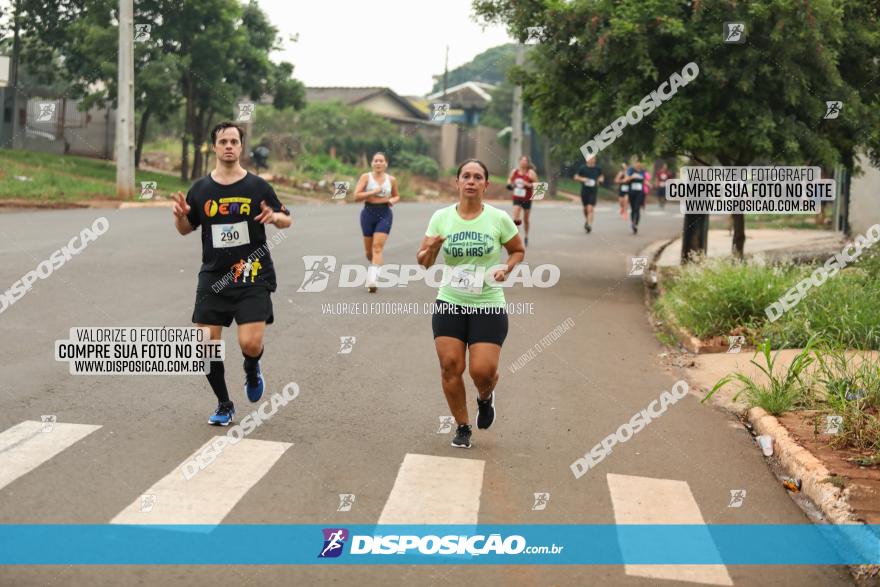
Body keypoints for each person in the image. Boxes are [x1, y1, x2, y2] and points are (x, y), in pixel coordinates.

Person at [171, 121, 292, 426]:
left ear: (241, 147)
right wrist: (182, 217)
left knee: (250, 344)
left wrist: (274, 217)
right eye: (223, 141)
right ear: (214, 146)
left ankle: (252, 367)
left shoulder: (257, 187)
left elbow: (286, 221)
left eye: (234, 141)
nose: (228, 146)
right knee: (205, 344)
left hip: (252, 275)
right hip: (214, 277)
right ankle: (224, 404)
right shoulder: (200, 189)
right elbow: (186, 230)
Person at [417, 159, 525, 449]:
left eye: (478, 177)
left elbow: (517, 250)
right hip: (450, 301)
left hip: (488, 303)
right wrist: (433, 249)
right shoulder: (441, 217)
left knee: (482, 372)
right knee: (450, 366)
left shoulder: (498, 218)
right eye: (466, 176)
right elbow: (423, 262)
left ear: (486, 185)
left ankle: (485, 398)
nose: (471, 181)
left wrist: (507, 268)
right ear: (457, 182)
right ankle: (463, 426)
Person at [354, 152, 400, 293]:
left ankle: (372, 280)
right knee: (369, 253)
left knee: (377, 247)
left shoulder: (391, 179)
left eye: (381, 161)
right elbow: (356, 196)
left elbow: (397, 195)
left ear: (386, 163)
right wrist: (373, 192)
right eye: (376, 160)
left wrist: (392, 200)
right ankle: (375, 266)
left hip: (385, 213)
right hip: (368, 213)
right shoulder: (365, 177)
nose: (378, 163)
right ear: (372, 163)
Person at [506, 155, 538, 247]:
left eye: (525, 161)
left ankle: (526, 236)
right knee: (516, 218)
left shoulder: (530, 173)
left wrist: (528, 184)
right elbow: (509, 179)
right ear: (519, 162)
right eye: (522, 160)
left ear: (528, 163)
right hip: (517, 198)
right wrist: (509, 184)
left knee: (526, 219)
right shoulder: (514, 171)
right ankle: (517, 238)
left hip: (527, 198)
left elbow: (537, 184)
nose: (523, 162)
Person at [574, 156, 604, 233]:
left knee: (590, 208)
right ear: (587, 159)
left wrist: (600, 180)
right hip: (584, 191)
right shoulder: (583, 168)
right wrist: (583, 179)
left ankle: (589, 225)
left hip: (593, 191)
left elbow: (601, 176)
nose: (592, 160)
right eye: (591, 158)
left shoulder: (598, 168)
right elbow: (576, 177)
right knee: (585, 208)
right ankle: (587, 220)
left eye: (593, 158)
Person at [624, 159, 647, 234]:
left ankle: (635, 224)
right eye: (637, 163)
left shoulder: (642, 171)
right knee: (633, 208)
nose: (638, 164)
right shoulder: (631, 170)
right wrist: (632, 177)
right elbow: (626, 180)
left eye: (640, 163)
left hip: (640, 192)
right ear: (635, 163)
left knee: (637, 208)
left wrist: (648, 184)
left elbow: (643, 180)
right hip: (632, 192)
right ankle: (633, 223)